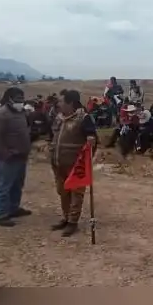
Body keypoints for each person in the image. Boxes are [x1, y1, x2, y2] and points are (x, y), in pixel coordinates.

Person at [49, 90, 97, 237]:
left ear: (70, 103)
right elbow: (52, 135)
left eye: (62, 101)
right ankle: (66, 217)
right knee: (62, 191)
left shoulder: (84, 118)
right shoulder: (58, 118)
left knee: (76, 193)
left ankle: (72, 222)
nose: (59, 104)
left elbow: (92, 138)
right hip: (58, 162)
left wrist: (90, 141)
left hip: (76, 165)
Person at [0, 87, 32, 227]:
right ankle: (1, 214)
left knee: (17, 185)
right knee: (4, 186)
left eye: (22, 99)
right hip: (8, 157)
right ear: (10, 99)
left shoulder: (22, 113)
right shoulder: (0, 114)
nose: (21, 101)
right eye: (18, 99)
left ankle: (13, 208)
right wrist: (3, 154)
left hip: (21, 155)